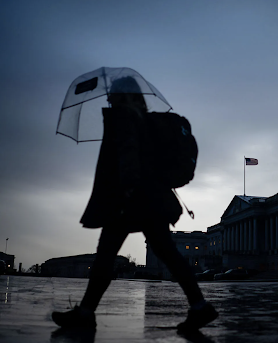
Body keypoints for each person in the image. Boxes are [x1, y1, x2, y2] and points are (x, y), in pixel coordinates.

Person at [52, 76, 218, 332]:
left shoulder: (124, 117)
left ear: (124, 97)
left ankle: (85, 313)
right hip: (152, 198)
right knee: (167, 253)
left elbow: (128, 154)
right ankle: (199, 306)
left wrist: (126, 188)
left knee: (106, 255)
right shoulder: (148, 121)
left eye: (113, 96)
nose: (109, 99)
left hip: (130, 198)